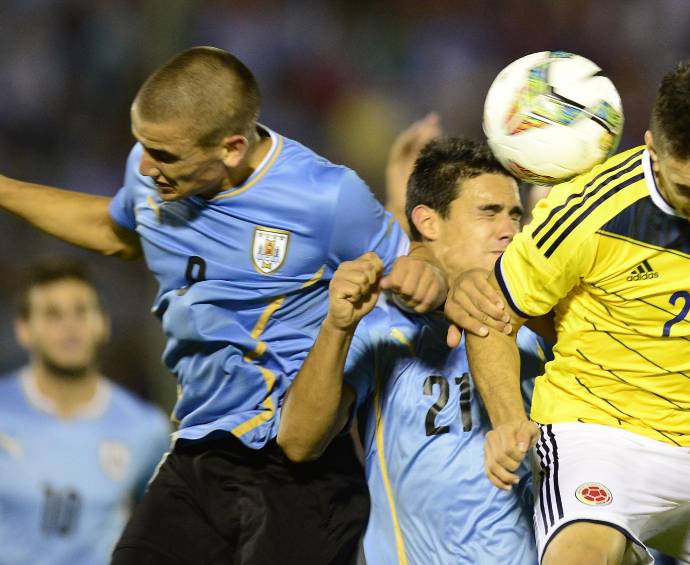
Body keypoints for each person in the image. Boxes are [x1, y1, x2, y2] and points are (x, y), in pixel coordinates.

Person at [0, 46, 462, 564]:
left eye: (166, 155)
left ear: (232, 147)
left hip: (297, 471)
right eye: (142, 147)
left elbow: (410, 267)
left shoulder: (324, 197)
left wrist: (432, 278)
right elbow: (117, 231)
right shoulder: (152, 168)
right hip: (199, 449)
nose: (147, 167)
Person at [446, 59, 690, 563]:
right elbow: (492, 316)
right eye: (689, 189)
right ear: (652, 150)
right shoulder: (586, 211)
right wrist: (509, 421)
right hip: (599, 435)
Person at [277, 137, 552, 564]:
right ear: (428, 221)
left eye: (515, 214)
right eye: (488, 212)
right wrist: (337, 327)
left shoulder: (536, 320)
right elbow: (298, 442)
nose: (509, 230)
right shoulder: (381, 323)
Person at [0, 258, 170, 565]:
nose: (70, 326)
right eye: (52, 314)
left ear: (103, 323)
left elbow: (162, 530)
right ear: (24, 329)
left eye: (82, 311)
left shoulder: (145, 429)